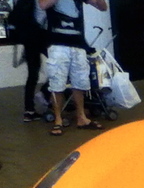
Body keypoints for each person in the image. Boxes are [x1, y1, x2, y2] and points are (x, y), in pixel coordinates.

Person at [39, 0, 107, 136]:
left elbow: (103, 7)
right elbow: (43, 5)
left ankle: (81, 117)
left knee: (80, 82)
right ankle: (58, 119)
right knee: (56, 83)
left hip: (78, 44)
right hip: (57, 44)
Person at [9, 0, 50, 122]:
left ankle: (29, 111)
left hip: (29, 37)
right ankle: (44, 94)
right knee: (61, 67)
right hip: (40, 35)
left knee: (32, 75)